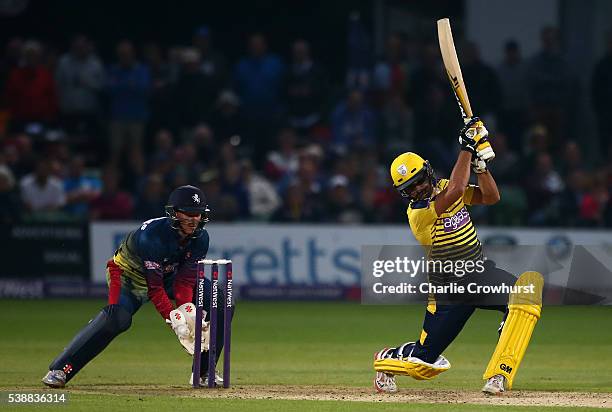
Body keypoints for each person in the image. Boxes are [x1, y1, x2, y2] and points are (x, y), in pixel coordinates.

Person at [373, 118, 543, 395]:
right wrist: (467, 146)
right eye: (409, 188)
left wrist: (481, 167)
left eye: (418, 182)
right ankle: (387, 359)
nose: (417, 189)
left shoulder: (444, 186)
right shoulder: (418, 214)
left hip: (479, 273)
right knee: (423, 365)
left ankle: (499, 375)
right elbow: (456, 191)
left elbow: (491, 197)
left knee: (525, 298)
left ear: (427, 172)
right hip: (448, 289)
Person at [42, 185, 232, 387]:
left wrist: (187, 312)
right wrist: (176, 321)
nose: (194, 219)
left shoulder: (201, 239)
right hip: (129, 277)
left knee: (218, 298)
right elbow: (154, 288)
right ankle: (60, 370)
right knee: (116, 319)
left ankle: (204, 372)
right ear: (174, 212)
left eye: (198, 214)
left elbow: (184, 281)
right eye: (189, 213)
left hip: (169, 275)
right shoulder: (151, 236)